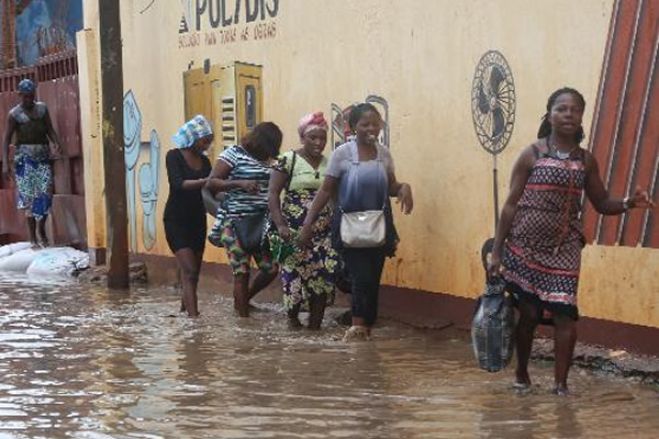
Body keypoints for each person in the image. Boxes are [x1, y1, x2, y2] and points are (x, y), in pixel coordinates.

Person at [487, 87, 654, 395]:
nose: (568, 114)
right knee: (530, 315)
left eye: (574, 110)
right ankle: (522, 374)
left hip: (565, 248)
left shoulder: (586, 161)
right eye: (561, 109)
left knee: (566, 314)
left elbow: (602, 202)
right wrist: (497, 252)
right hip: (525, 246)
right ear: (549, 115)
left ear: (580, 118)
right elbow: (510, 204)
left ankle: (560, 386)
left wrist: (630, 202)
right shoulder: (532, 154)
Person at [300, 103, 413, 341]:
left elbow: (391, 186)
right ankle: (357, 331)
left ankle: (366, 332)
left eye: (376, 123)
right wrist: (307, 224)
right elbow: (326, 190)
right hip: (350, 228)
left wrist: (404, 188)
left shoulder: (384, 154)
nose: (371, 128)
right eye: (365, 124)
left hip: (379, 228)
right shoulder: (342, 155)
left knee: (372, 281)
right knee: (361, 279)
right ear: (353, 128)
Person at [268, 111, 339, 329]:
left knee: (322, 280)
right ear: (302, 138)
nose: (319, 143)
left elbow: (334, 198)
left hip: (323, 233)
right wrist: (280, 225)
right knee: (294, 282)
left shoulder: (332, 164)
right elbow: (272, 194)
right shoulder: (287, 161)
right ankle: (293, 322)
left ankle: (315, 329)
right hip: (292, 231)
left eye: (322, 138)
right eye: (313, 138)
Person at [206, 122, 283, 317]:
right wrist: (240, 183)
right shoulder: (234, 154)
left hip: (261, 224)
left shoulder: (271, 161)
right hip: (234, 223)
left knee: (271, 269)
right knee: (241, 272)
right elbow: (212, 182)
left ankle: (244, 299)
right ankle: (243, 321)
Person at [1, 78, 63, 248]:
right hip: (24, 159)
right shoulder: (14, 115)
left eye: (31, 96)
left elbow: (50, 129)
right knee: (28, 197)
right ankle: (33, 238)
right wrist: (6, 164)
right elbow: (6, 139)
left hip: (43, 156)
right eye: (25, 97)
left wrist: (56, 143)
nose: (28, 100)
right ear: (19, 95)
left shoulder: (42, 109)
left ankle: (42, 229)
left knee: (45, 195)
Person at [164, 115, 213, 317]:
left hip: (197, 221)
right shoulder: (173, 156)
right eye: (204, 140)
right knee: (190, 270)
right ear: (193, 138)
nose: (207, 145)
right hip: (176, 220)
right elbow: (179, 184)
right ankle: (194, 319)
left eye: (209, 141)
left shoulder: (205, 161)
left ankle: (185, 310)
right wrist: (208, 181)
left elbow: (213, 191)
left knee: (194, 273)